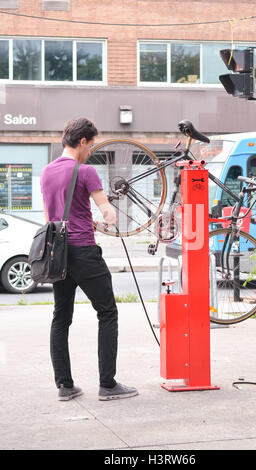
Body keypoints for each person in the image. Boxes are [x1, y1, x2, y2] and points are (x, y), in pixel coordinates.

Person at [40, 117, 138, 401]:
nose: (92, 151)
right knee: (107, 313)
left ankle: (65, 386)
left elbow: (51, 219)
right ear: (82, 142)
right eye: (91, 145)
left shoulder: (47, 172)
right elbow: (106, 210)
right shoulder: (85, 172)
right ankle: (107, 385)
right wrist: (110, 217)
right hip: (84, 251)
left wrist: (83, 220)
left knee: (61, 317)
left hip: (58, 255)